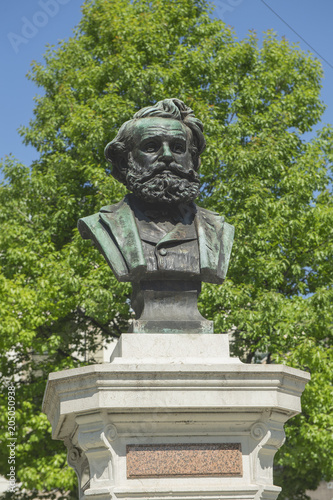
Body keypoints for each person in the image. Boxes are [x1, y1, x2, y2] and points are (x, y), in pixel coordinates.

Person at [78, 98, 234, 286]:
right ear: (124, 162)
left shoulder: (217, 229)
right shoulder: (103, 225)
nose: (167, 156)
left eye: (178, 148)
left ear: (192, 159)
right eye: (151, 147)